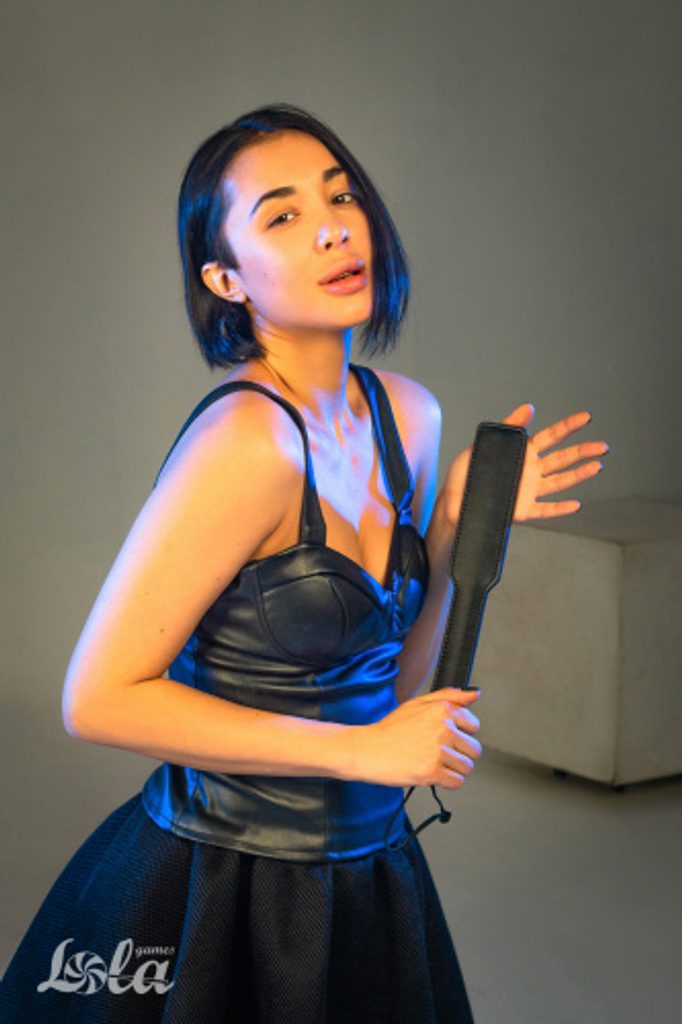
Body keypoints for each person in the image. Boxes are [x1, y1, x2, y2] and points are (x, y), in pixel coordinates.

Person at [0, 103, 608, 1023]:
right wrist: (358, 752)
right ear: (226, 279)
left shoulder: (408, 417)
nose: (333, 228)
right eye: (282, 215)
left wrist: (454, 529)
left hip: (367, 872)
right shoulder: (247, 443)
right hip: (223, 883)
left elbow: (395, 690)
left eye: (342, 196)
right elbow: (96, 698)